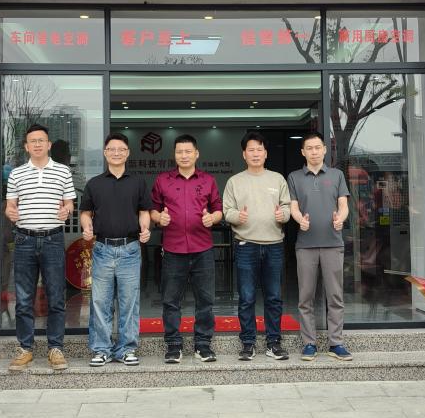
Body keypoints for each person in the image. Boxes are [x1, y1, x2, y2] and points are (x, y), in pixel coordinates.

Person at [4, 123, 76, 372]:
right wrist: (10, 212)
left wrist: (67, 210)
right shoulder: (16, 174)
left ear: (49, 145)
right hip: (24, 240)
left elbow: (69, 203)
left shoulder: (63, 172)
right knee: (24, 299)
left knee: (56, 297)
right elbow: (10, 206)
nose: (37, 144)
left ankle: (55, 348)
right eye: (32, 141)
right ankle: (25, 349)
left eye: (41, 140)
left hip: (53, 240)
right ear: (26, 146)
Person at [80, 133, 151, 368]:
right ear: (105, 152)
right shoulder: (94, 183)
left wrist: (145, 228)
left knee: (129, 302)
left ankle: (127, 349)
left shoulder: (138, 182)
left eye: (121, 149)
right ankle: (101, 349)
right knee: (100, 302)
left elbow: (144, 211)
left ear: (128, 153)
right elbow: (85, 212)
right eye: (112, 149)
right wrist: (86, 227)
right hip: (102, 249)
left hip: (130, 249)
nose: (116, 153)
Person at [151, 134, 223, 364]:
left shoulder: (208, 180)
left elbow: (218, 209)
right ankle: (173, 345)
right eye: (179, 152)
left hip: (203, 249)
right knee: (171, 300)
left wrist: (212, 218)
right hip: (173, 249)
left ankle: (203, 345)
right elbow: (152, 209)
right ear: (174, 155)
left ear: (196, 154)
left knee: (206, 300)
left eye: (188, 151)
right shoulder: (163, 180)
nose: (184, 155)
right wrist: (158, 218)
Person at [223, 132, 291, 361]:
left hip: (274, 245)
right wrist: (237, 216)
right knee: (246, 297)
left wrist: (284, 215)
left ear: (266, 153)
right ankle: (248, 343)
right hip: (246, 245)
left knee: (274, 297)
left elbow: (287, 207)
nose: (255, 154)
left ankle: (274, 343)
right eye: (251, 150)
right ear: (244, 154)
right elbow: (226, 210)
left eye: (259, 149)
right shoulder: (235, 181)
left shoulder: (277, 179)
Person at [287, 130, 352, 361]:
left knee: (335, 296)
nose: (314, 152)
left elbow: (343, 205)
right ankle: (309, 344)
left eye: (317, 148)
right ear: (302, 152)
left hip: (333, 244)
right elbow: (293, 206)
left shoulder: (336, 175)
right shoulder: (294, 177)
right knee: (305, 297)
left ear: (324, 150)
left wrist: (340, 219)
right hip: (305, 245)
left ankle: (336, 343)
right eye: (309, 148)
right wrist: (299, 220)